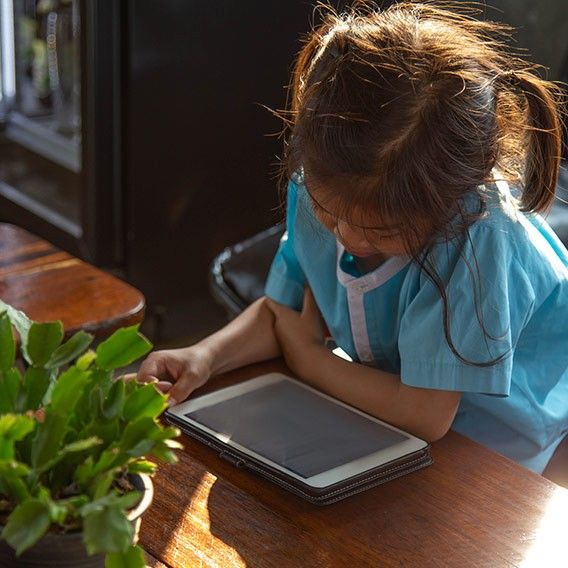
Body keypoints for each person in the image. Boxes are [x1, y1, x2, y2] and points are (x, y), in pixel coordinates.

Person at [137, 2, 568, 479]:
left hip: (515, 449)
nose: (344, 234)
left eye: (380, 231)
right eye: (329, 212)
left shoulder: (480, 238)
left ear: (449, 202)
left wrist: (311, 362)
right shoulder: (318, 184)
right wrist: (204, 357)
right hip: (398, 424)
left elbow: (424, 414)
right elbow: (283, 314)